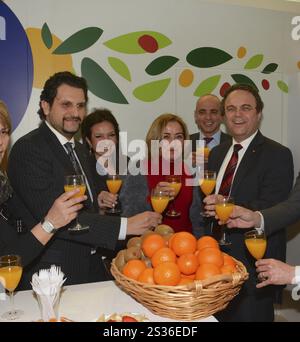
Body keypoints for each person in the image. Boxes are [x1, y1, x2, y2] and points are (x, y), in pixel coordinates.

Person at [7, 72, 161, 289]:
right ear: (46, 106)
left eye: (80, 105)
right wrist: (125, 225)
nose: (75, 113)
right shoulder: (29, 149)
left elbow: (84, 204)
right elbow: (55, 217)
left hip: (91, 262)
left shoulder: (78, 149)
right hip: (54, 272)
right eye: (66, 104)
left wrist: (97, 200)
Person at [203, 83, 294, 322]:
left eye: (245, 108)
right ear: (224, 116)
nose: (237, 115)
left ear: (258, 113)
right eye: (231, 109)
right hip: (214, 264)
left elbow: (274, 205)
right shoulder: (217, 153)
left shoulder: (278, 154)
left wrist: (229, 205)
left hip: (253, 267)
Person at [0, 100, 86, 266]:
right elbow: (5, 263)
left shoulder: (4, 185)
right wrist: (50, 223)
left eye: (3, 132)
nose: (1, 141)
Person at [81, 108, 150, 217]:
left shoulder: (129, 164)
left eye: (111, 135)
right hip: (99, 230)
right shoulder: (82, 169)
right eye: (99, 136)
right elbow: (80, 216)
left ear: (117, 138)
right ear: (89, 141)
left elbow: (139, 206)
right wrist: (98, 207)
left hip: (130, 230)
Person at [145, 113, 201, 233]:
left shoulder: (189, 170)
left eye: (178, 137)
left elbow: (196, 215)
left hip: (186, 243)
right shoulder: (140, 170)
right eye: (166, 137)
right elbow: (131, 215)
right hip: (154, 244)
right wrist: (155, 197)